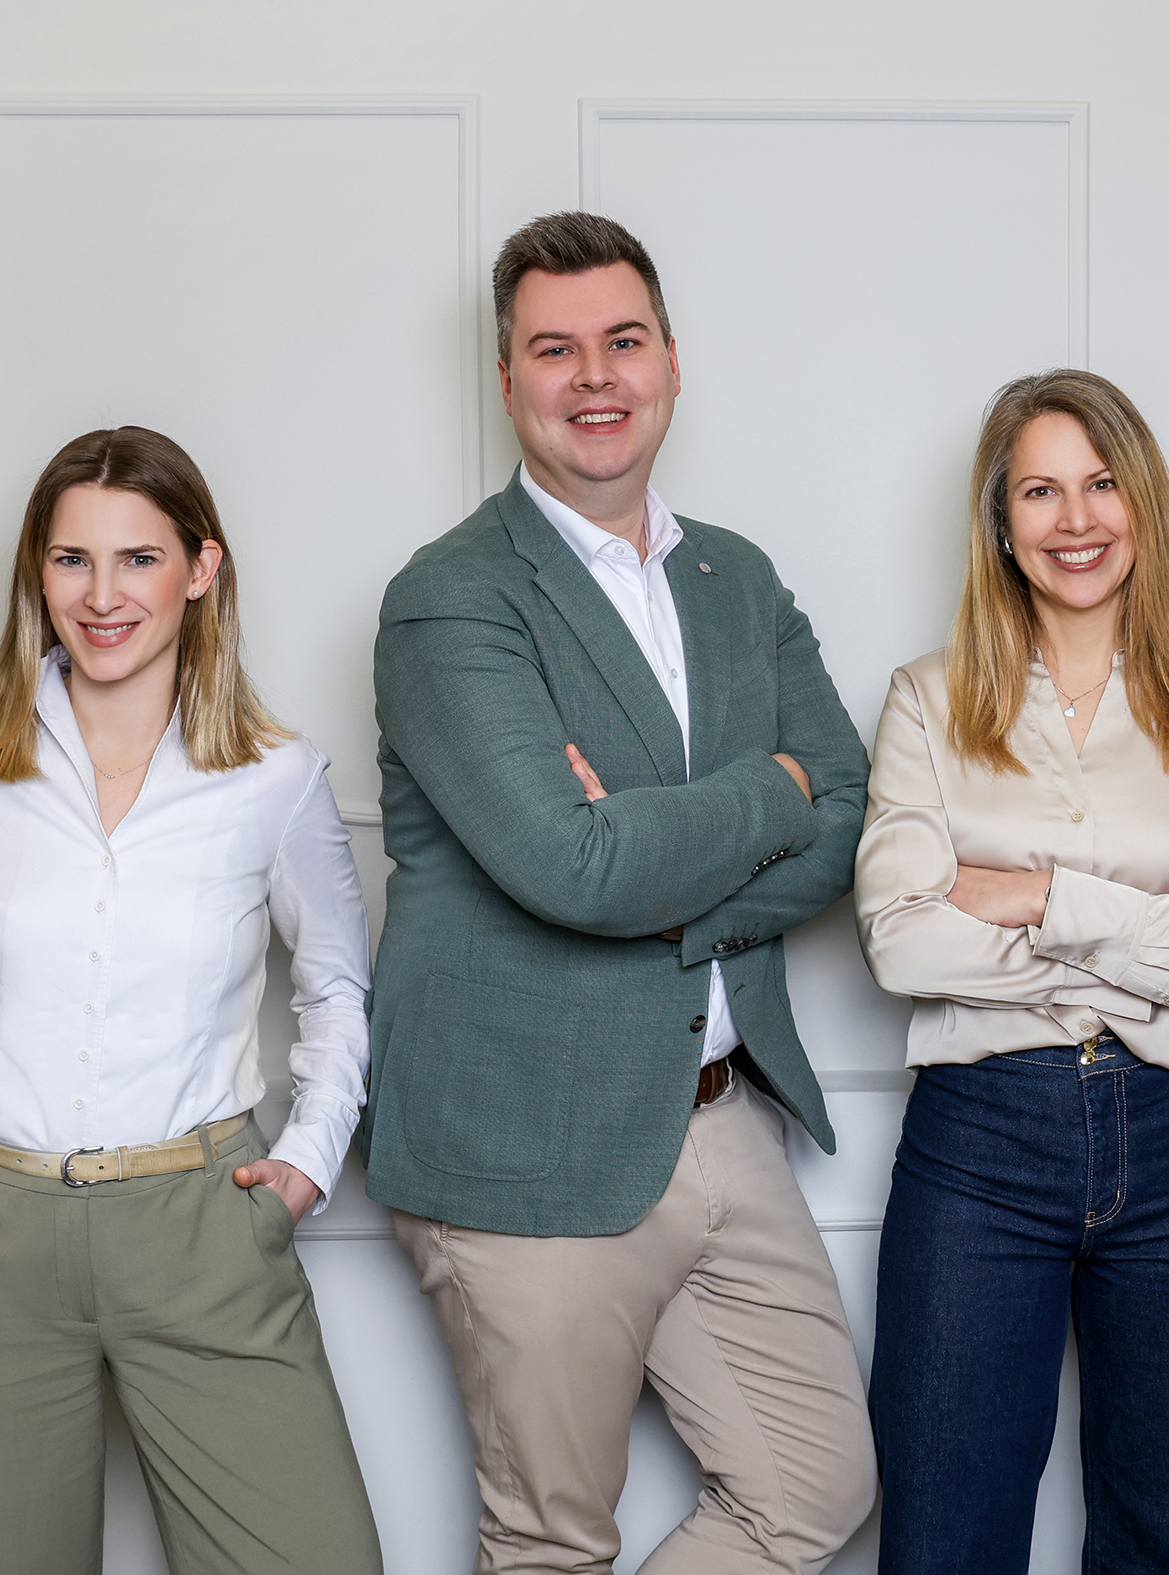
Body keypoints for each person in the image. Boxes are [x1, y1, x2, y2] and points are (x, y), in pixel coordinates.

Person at [362, 211, 878, 1574]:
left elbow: (848, 816)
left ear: (670, 363)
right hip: (520, 1144)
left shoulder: (737, 577)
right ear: (505, 376)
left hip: (716, 1120)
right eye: (554, 348)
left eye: (622, 340)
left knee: (811, 1488)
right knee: (549, 1541)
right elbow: (570, 862)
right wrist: (763, 791)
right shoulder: (448, 600)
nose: (594, 376)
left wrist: (660, 873)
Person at [0, 427, 383, 1574]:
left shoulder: (274, 778)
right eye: (72, 559)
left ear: (201, 568)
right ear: (39, 572)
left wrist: (311, 1158)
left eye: (138, 559)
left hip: (199, 1225)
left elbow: (335, 983)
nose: (103, 594)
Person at [853, 368, 1169, 1574]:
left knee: (1168, 1541)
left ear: (1142, 505)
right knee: (944, 1540)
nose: (1075, 519)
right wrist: (1167, 925)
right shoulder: (927, 700)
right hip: (980, 1145)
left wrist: (1042, 897)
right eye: (1041, 492)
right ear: (1000, 526)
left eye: (1101, 484)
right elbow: (903, 941)